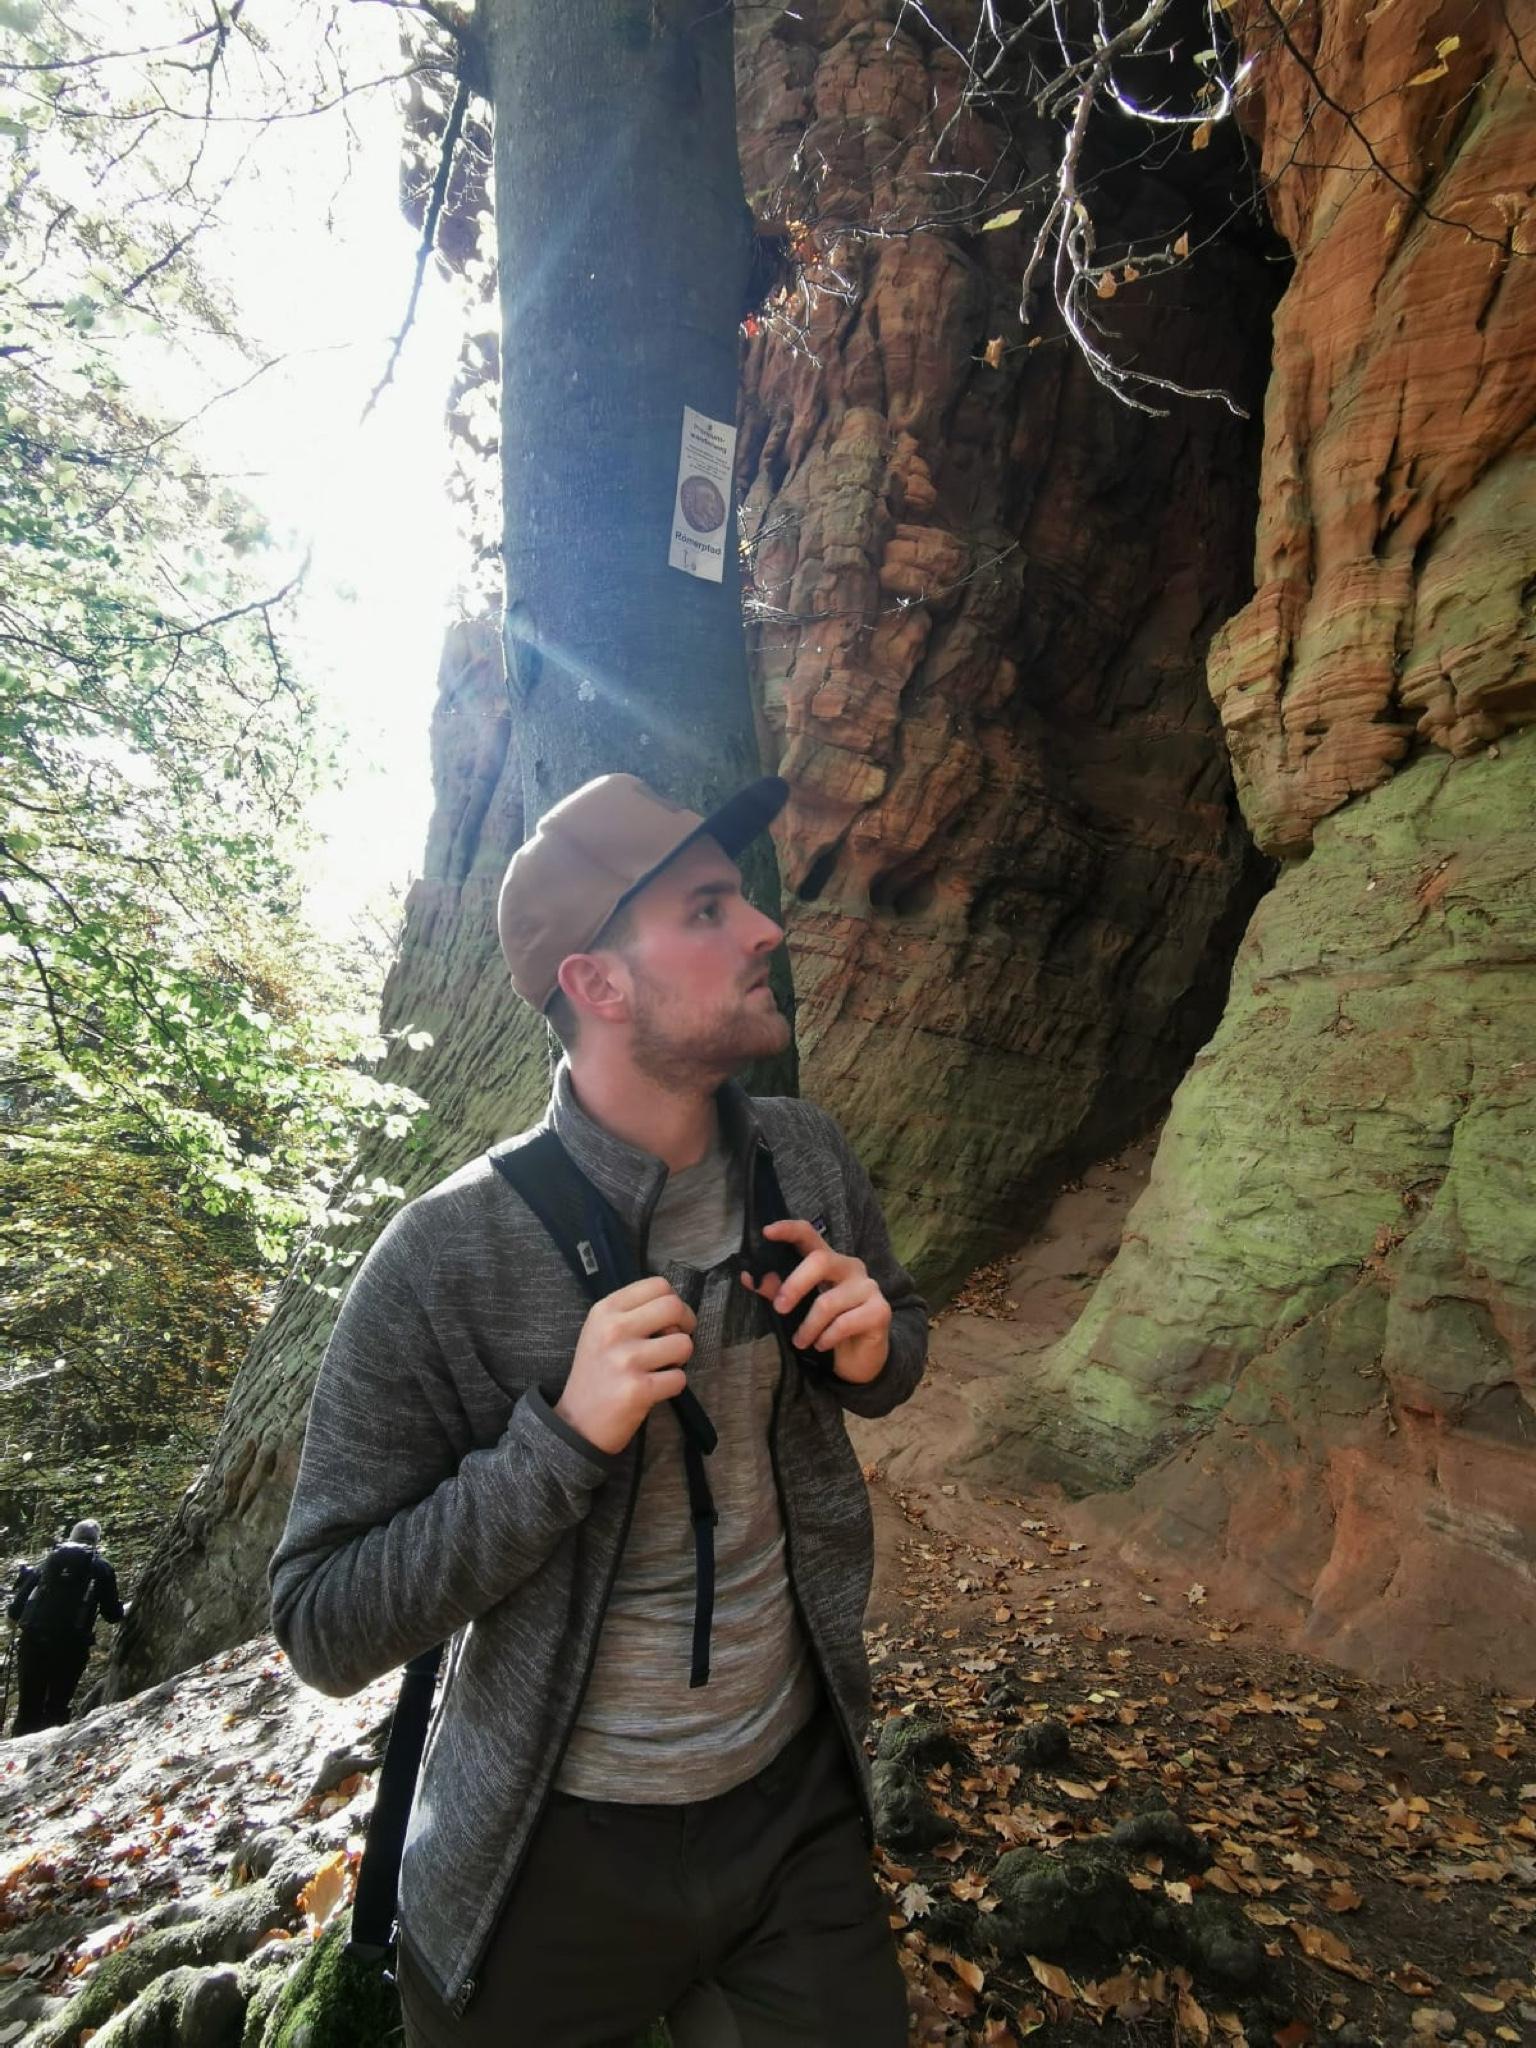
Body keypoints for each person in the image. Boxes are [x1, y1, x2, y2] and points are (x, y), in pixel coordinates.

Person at [270, 771, 927, 2047]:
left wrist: (875, 1351)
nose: (766, 928)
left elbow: (900, 1337)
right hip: (549, 1851)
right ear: (598, 983)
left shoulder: (806, 1157)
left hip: (794, 1805)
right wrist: (559, 1441)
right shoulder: (444, 1257)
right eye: (707, 908)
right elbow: (321, 1619)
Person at [8, 1518, 124, 1736]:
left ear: (71, 1536)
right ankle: (53, 1751)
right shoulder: (101, 1568)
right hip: (71, 1648)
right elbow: (112, 1615)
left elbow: (15, 1611)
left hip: (33, 1644)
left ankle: (18, 1752)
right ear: (96, 1541)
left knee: (28, 1709)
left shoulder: (48, 1562)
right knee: (57, 1707)